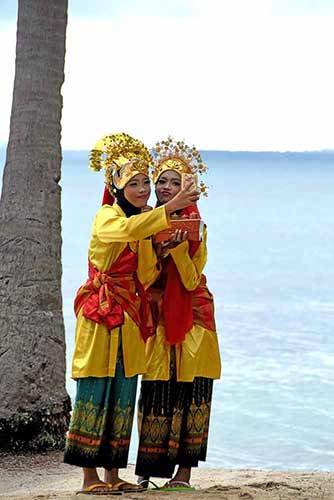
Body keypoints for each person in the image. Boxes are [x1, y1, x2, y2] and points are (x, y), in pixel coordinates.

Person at [63, 133, 200, 494]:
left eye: (144, 182)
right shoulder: (107, 216)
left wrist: (167, 250)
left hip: (129, 316)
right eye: (134, 183)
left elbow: (145, 275)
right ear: (116, 186)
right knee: (95, 390)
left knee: (123, 393)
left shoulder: (143, 222)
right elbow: (123, 231)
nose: (142, 189)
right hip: (100, 312)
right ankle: (89, 478)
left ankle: (112, 475)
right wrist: (167, 212)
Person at [135, 137, 221, 490]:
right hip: (156, 316)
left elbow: (190, 278)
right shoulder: (145, 222)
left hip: (194, 320)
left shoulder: (198, 227)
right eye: (162, 181)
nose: (166, 188)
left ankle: (183, 475)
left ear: (188, 187)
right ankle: (145, 472)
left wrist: (179, 251)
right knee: (153, 392)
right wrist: (156, 252)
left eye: (175, 182)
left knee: (191, 395)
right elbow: (142, 277)